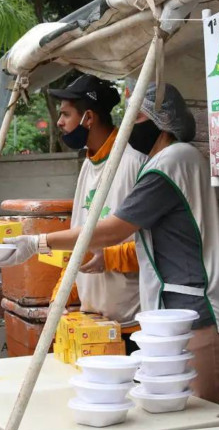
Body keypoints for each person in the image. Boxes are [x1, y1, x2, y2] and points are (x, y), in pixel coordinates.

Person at [0, 83, 219, 405]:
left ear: (161, 120)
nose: (128, 125)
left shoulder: (170, 162)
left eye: (136, 116)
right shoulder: (175, 160)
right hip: (181, 316)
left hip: (200, 316)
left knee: (203, 417)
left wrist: (38, 241)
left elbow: (113, 230)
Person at [48, 74, 146, 352]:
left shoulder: (134, 162)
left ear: (88, 118)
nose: (59, 122)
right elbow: (79, 243)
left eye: (66, 114)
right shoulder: (88, 166)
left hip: (133, 325)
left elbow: (155, 248)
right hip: (92, 323)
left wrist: (109, 257)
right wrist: (61, 297)